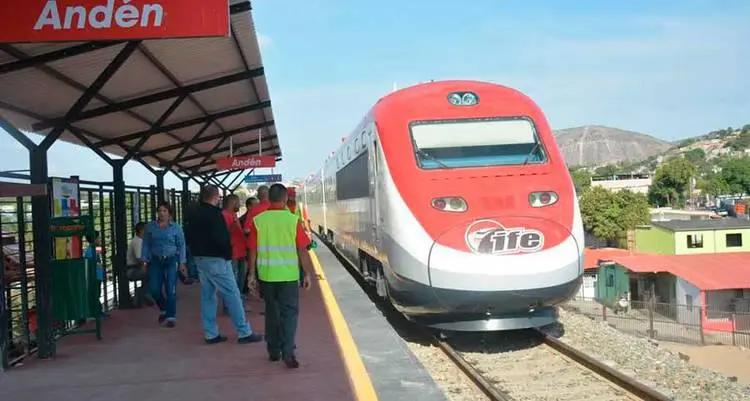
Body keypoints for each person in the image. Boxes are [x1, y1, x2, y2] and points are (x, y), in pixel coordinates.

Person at [187, 184, 262, 345]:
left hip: (200, 259)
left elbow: (189, 235)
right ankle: (244, 332)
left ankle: (210, 334)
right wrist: (227, 254)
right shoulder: (216, 214)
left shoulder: (193, 213)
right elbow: (221, 237)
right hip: (217, 259)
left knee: (208, 296)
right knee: (232, 294)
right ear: (216, 197)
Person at [249, 183, 314, 368]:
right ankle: (288, 352)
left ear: (269, 198)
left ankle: (273, 351)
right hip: (288, 276)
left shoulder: (259, 221)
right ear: (285, 198)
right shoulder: (292, 220)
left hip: (267, 276)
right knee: (289, 314)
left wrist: (251, 275)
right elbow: (302, 249)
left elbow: (252, 249)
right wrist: (307, 274)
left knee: (271, 312)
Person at [140, 202, 187, 328]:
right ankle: (164, 308)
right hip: (155, 260)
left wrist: (182, 262)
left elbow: (181, 245)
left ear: (169, 213)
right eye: (160, 210)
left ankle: (171, 316)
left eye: (165, 211)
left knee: (170, 289)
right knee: (154, 289)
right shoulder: (151, 227)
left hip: (171, 259)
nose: (162, 213)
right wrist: (144, 260)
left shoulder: (176, 228)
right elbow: (146, 244)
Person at [222, 194, 249, 311]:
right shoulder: (224, 216)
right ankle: (230, 306)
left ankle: (238, 303)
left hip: (240, 252)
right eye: (238, 202)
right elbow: (224, 233)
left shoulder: (233, 215)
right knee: (232, 280)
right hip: (232, 253)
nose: (239, 205)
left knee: (240, 279)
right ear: (232, 202)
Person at [126, 222, 154, 307]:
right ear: (142, 231)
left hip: (136, 268)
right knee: (153, 274)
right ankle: (144, 293)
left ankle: (142, 293)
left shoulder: (140, 241)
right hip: (133, 270)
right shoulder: (138, 242)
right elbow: (140, 259)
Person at [84, 232, 108, 319]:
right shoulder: (90, 251)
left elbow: (104, 251)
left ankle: (99, 312)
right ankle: (96, 313)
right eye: (98, 238)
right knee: (95, 294)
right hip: (94, 277)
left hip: (98, 276)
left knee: (97, 294)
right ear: (94, 240)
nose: (100, 240)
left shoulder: (94, 249)